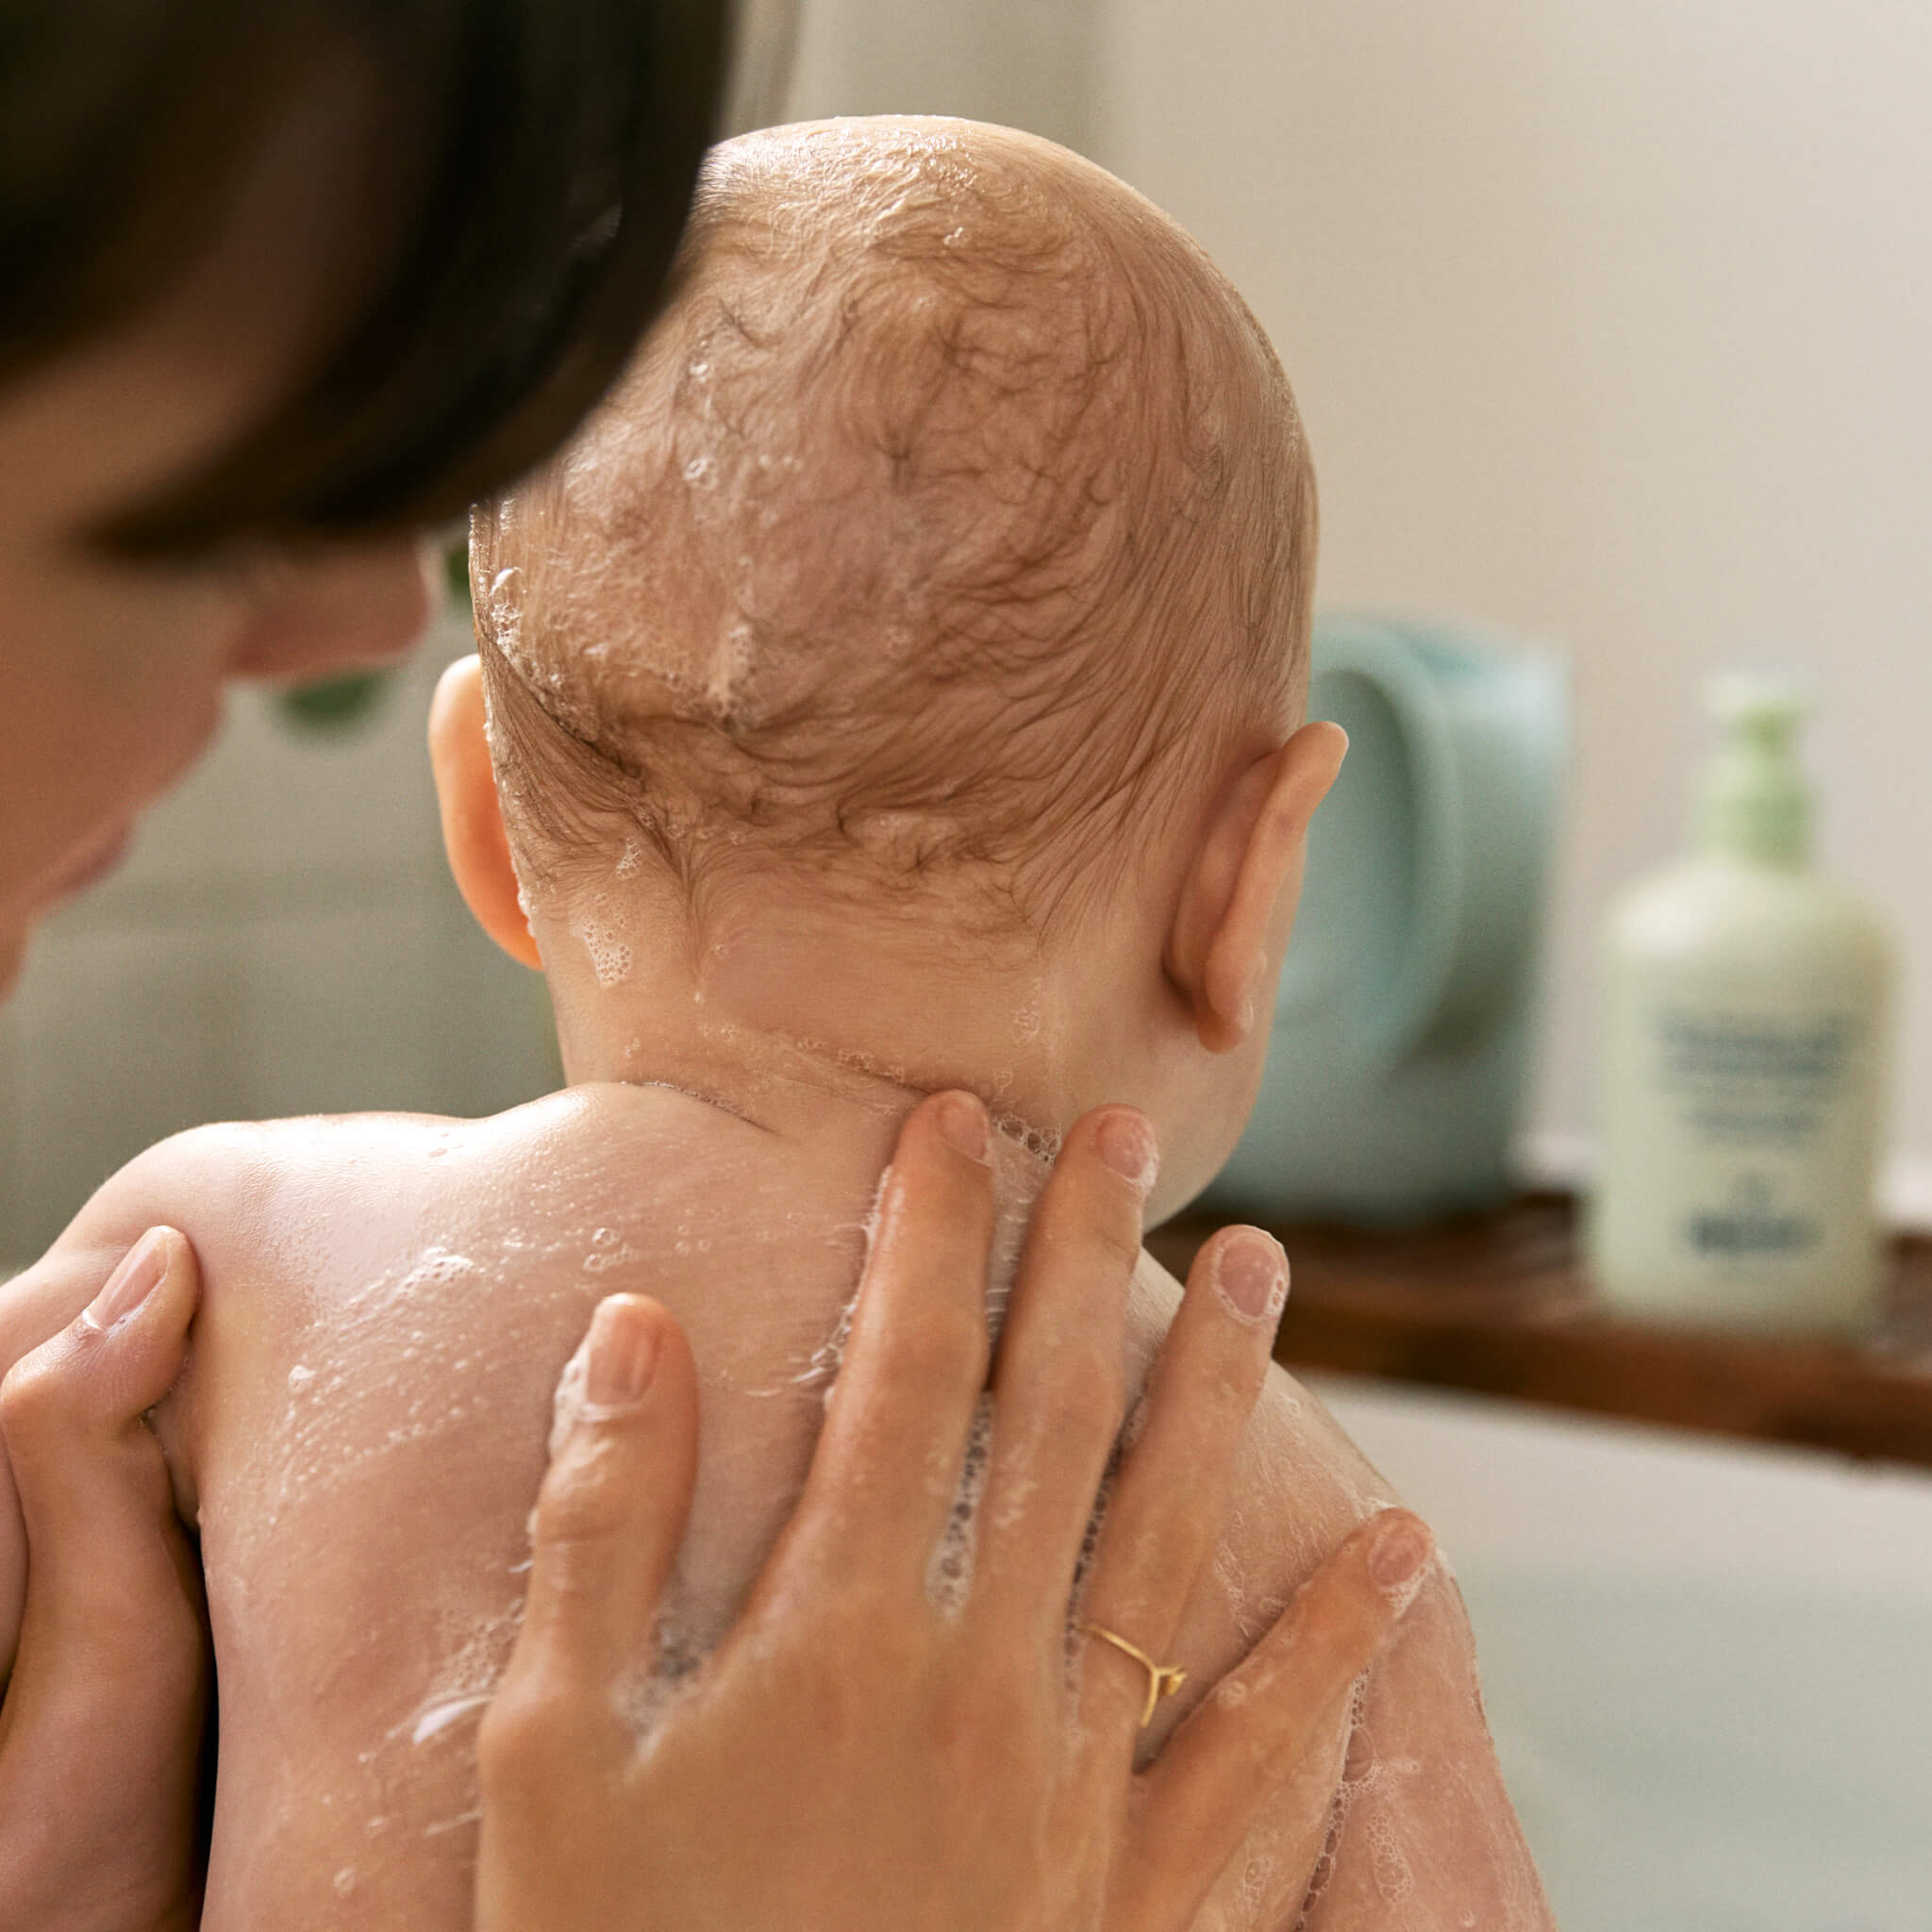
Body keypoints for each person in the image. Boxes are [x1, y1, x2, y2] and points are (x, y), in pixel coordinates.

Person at [0, 6, 1479, 1929]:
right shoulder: (1312, 1549)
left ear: (485, 825)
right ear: (1245, 891)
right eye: (206, 503)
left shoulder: (225, 1263)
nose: (336, 603)